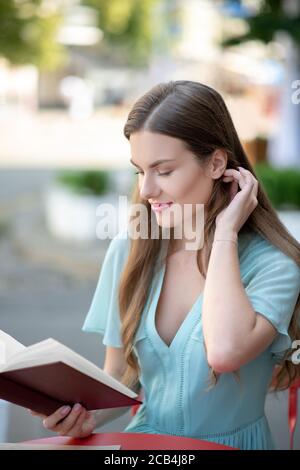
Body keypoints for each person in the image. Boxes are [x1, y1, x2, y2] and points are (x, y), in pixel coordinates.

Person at [29, 80, 300, 450]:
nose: (147, 189)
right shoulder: (129, 250)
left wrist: (224, 236)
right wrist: (84, 416)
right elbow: (121, 375)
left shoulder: (275, 264)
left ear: (217, 163)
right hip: (144, 449)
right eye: (140, 171)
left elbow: (225, 350)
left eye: (164, 170)